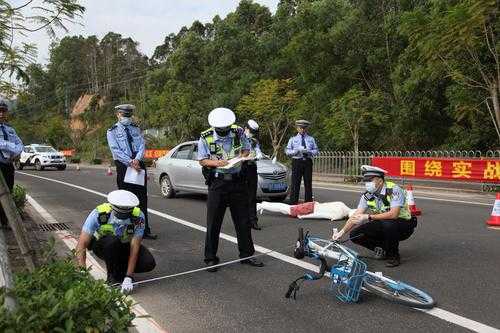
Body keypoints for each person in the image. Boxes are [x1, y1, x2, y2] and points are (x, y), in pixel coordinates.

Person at [198, 107, 264, 272]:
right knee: (214, 222)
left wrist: (243, 155)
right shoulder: (205, 137)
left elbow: (247, 148)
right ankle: (210, 258)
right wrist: (217, 163)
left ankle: (247, 255)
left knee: (243, 221)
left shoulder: (239, 132)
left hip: (237, 182)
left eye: (227, 129)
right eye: (221, 131)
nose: (225, 133)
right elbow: (202, 160)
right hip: (218, 183)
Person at [332, 165, 417, 267]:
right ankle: (384, 249)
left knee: (388, 224)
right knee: (355, 234)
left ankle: (394, 256)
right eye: (366, 181)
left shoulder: (394, 189)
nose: (367, 184)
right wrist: (341, 232)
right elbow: (356, 216)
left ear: (380, 181)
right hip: (384, 222)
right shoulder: (368, 195)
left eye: (370, 181)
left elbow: (394, 214)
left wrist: (368, 217)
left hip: (404, 224)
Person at [75, 190, 156, 294]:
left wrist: (129, 277)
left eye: (126, 215)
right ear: (112, 207)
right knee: (113, 242)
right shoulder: (99, 213)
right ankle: (112, 278)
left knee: (148, 262)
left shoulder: (138, 217)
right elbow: (82, 244)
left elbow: (135, 247)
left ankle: (122, 272)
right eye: (120, 215)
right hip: (102, 245)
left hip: (123, 245)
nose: (123, 218)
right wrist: (82, 272)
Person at [107, 104, 157, 239]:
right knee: (125, 199)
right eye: (124, 115)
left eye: (129, 115)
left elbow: (142, 145)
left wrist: (137, 160)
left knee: (142, 199)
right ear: (118, 115)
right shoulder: (112, 131)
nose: (127, 118)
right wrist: (130, 162)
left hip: (138, 165)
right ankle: (126, 230)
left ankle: (144, 230)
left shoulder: (135, 128)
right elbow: (115, 150)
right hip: (124, 166)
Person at [0, 101, 23, 227]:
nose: (1, 113)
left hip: (8, 166)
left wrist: (9, 147)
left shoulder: (10, 130)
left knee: (8, 193)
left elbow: (20, 146)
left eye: (3, 111)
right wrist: (10, 145)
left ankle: (5, 221)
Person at [285, 120, 318, 205]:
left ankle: (308, 204)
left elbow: (316, 151)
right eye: (300, 128)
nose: (302, 130)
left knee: (308, 183)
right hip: (297, 161)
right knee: (295, 183)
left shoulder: (311, 139)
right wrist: (296, 151)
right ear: (297, 128)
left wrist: (309, 151)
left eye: (304, 128)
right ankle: (293, 204)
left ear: (307, 128)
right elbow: (287, 151)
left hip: (307, 162)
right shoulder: (293, 139)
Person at [244, 119, 263, 230]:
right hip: (241, 168)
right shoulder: (239, 139)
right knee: (242, 195)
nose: (251, 133)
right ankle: (243, 220)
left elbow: (258, 150)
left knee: (252, 195)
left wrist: (258, 155)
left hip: (251, 168)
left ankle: (253, 220)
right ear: (246, 128)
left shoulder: (254, 141)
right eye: (250, 131)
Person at [256, 201, 355, 221]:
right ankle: (262, 205)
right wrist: (304, 216)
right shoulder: (339, 215)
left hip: (313, 204)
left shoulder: (342, 204)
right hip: (309, 210)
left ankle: (264, 205)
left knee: (286, 208)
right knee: (286, 209)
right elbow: (320, 215)